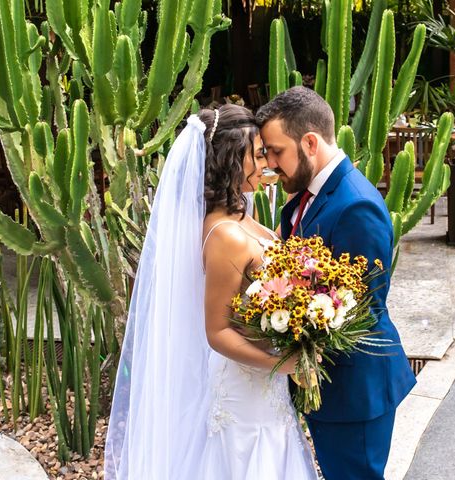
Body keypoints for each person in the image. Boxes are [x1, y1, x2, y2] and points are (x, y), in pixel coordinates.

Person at [104, 104, 317, 479]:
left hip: (264, 384)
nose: (265, 160)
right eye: (256, 154)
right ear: (232, 161)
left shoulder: (240, 214)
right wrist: (284, 364)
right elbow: (217, 332)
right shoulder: (225, 236)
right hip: (246, 384)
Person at [256, 86, 417, 480]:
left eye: (277, 151)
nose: (272, 163)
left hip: (354, 391)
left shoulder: (355, 205)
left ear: (310, 142)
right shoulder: (307, 194)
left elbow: (362, 308)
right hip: (328, 388)